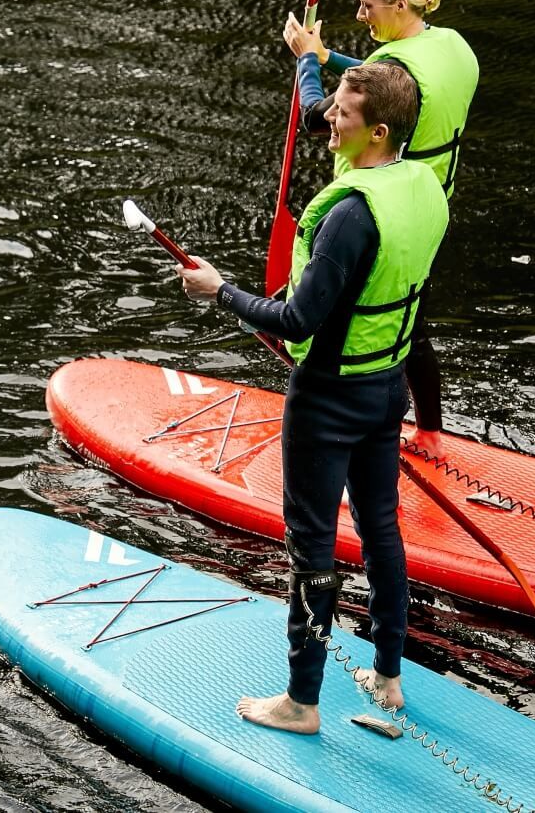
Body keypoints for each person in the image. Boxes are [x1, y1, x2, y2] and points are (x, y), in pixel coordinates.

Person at [177, 63, 448, 732]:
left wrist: (222, 293)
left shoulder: (351, 216)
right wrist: (311, 63)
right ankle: (388, 679)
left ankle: (301, 702)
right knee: (382, 531)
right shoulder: (421, 188)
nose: (330, 118)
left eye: (344, 113)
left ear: (377, 131)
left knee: (312, 549)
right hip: (386, 391)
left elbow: (298, 320)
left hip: (327, 400)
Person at [283, 0, 477, 460]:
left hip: (376, 208)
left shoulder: (392, 67)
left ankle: (340, 433)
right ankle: (431, 432)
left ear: (396, 3)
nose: (361, 16)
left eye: (368, 5)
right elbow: (392, 78)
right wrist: (331, 60)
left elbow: (313, 118)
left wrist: (306, 59)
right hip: (429, 204)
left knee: (345, 323)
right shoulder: (452, 46)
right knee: (409, 316)